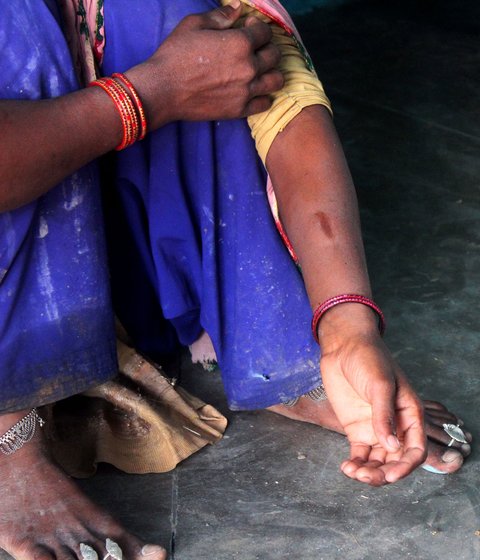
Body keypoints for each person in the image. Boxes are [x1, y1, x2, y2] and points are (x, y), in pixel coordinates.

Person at [0, 1, 471, 559]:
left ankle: (274, 345)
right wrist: (152, 94)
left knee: (178, 14)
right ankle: (8, 439)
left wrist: (347, 326)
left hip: (108, 249)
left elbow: (273, 80)